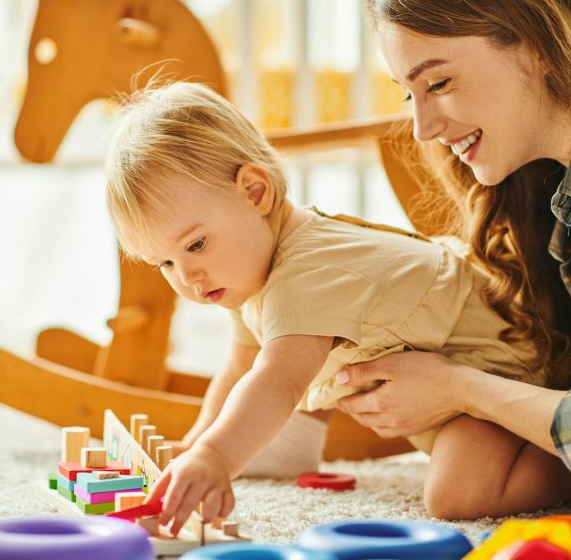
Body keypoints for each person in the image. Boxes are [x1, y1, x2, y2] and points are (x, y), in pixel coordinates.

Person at [105, 81, 570, 534]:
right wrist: (197, 442)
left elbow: (277, 381)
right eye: (164, 262)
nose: (187, 276)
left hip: (505, 363)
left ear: (254, 192)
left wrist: (218, 457)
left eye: (196, 244)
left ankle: (560, 462)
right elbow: (241, 365)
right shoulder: (243, 268)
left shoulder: (307, 272)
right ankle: (292, 443)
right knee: (302, 359)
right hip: (437, 356)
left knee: (456, 494)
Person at [336, 0, 571, 474]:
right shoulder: (548, 198)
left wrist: (458, 388)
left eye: (438, 82)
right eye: (408, 93)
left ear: (534, 41)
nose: (421, 128)